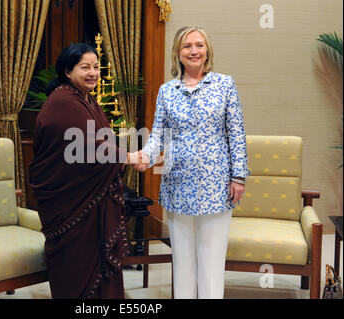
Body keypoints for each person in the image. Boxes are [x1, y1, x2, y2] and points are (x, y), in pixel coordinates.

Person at [133, 26, 250, 299]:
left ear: (207, 51)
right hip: (177, 184)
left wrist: (239, 177)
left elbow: (236, 133)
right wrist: (146, 157)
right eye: (187, 46)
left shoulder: (224, 84)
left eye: (199, 45)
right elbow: (158, 135)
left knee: (211, 262)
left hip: (216, 185)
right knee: (182, 262)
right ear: (178, 52)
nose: (193, 50)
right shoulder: (167, 91)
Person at [28, 43, 138, 299]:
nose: (93, 73)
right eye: (85, 67)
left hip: (89, 196)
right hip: (71, 201)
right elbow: (88, 147)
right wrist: (129, 157)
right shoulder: (63, 101)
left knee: (98, 262)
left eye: (96, 67)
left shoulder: (84, 99)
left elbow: (102, 141)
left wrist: (123, 157)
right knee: (77, 266)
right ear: (68, 71)